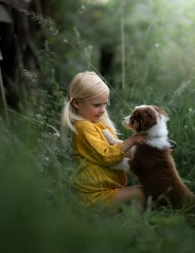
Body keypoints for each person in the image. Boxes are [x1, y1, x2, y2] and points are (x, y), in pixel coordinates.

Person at [60, 71, 145, 208]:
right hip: (93, 195)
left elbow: (119, 152)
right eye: (97, 105)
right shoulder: (83, 127)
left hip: (108, 189)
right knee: (142, 193)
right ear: (77, 103)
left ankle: (130, 223)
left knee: (146, 190)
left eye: (104, 104)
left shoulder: (98, 125)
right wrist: (132, 140)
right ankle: (139, 227)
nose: (102, 110)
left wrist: (151, 150)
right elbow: (107, 155)